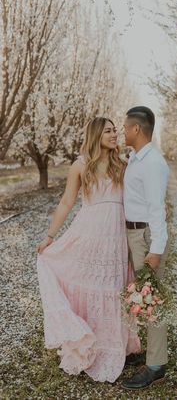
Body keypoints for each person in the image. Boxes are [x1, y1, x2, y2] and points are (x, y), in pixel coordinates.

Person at [36, 117, 140, 383]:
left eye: (115, 130)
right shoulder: (81, 165)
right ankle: (86, 343)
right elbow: (66, 202)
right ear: (95, 135)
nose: (114, 134)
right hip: (89, 232)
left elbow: (134, 200)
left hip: (115, 236)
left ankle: (113, 345)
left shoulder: (122, 164)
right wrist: (50, 237)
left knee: (113, 287)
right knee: (87, 283)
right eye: (108, 131)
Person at [122, 106, 170, 390]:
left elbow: (157, 209)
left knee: (152, 301)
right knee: (141, 298)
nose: (122, 131)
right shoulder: (136, 158)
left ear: (137, 129)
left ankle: (155, 366)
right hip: (132, 233)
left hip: (145, 236)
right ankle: (145, 353)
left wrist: (156, 249)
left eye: (125, 127)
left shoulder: (153, 163)